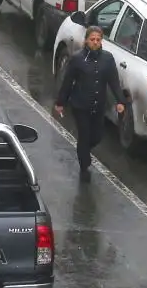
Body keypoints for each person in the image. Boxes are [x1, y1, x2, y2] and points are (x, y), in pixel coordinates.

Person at [52, 25, 126, 182]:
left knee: (97, 136)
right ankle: (84, 166)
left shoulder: (108, 59)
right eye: (92, 39)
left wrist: (120, 101)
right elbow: (68, 82)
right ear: (86, 41)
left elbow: (114, 82)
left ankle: (83, 150)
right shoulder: (78, 59)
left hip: (99, 105)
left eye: (98, 40)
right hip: (80, 105)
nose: (95, 42)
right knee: (84, 135)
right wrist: (60, 102)